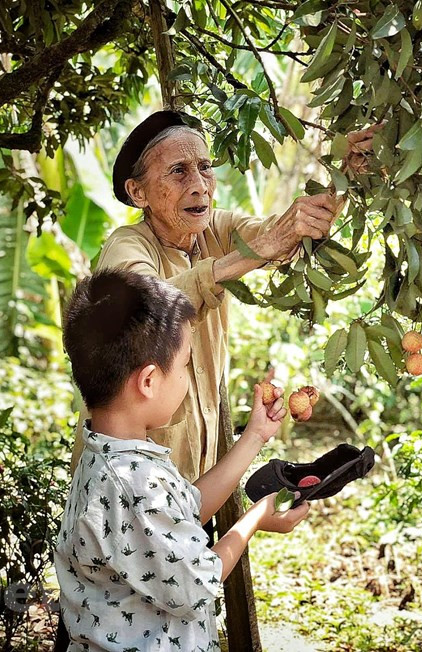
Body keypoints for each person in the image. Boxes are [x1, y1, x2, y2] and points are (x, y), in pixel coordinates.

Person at [68, 110, 379, 483]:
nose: (200, 185)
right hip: (127, 478)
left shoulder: (216, 229)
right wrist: (258, 249)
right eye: (178, 171)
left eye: (205, 168)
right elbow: (150, 307)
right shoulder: (127, 245)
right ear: (138, 193)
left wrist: (344, 177)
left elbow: (284, 236)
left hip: (196, 478)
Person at [54, 268, 310, 651]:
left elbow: (184, 509)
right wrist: (254, 519)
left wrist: (255, 435)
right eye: (185, 365)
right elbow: (197, 583)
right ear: (149, 381)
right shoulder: (134, 481)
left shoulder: (112, 455)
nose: (187, 378)